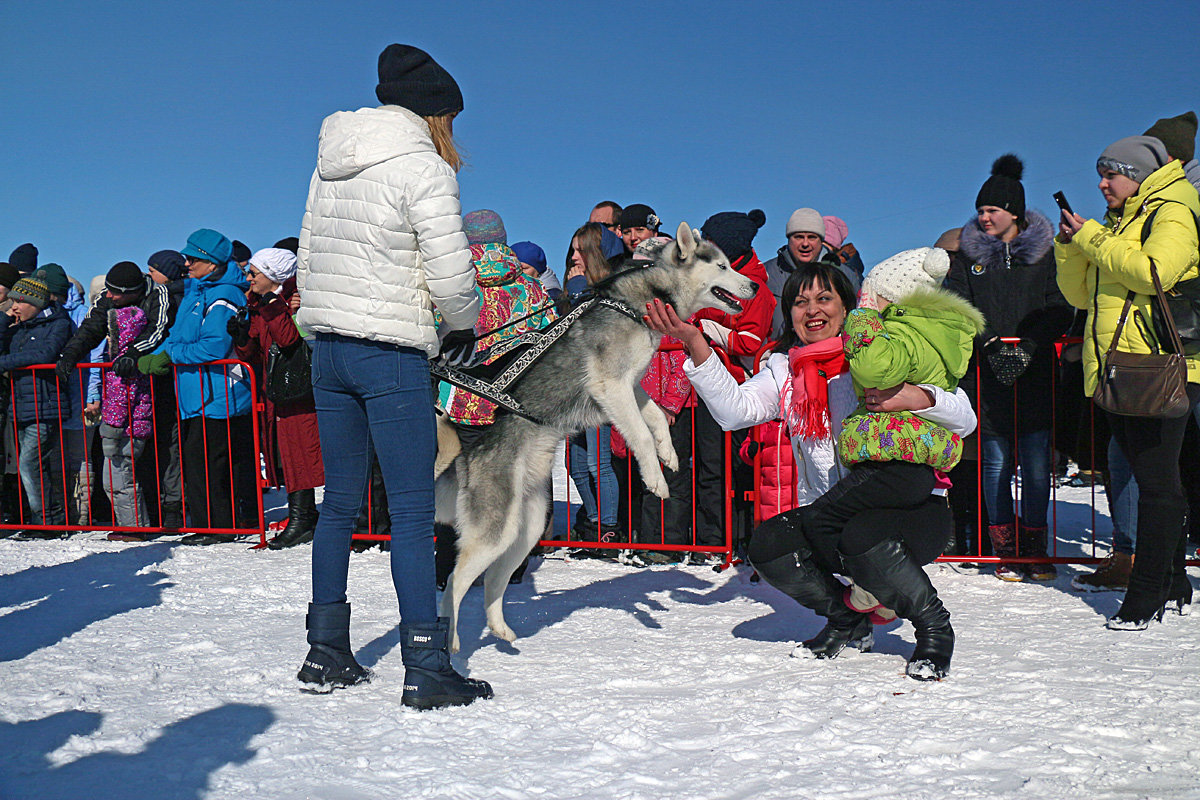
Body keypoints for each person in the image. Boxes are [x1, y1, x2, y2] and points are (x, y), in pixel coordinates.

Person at [649, 248, 980, 680]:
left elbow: (966, 418)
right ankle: (848, 619)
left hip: (909, 509)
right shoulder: (784, 369)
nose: (812, 310)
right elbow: (734, 412)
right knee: (769, 545)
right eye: (800, 302)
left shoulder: (880, 353)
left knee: (863, 536)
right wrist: (696, 344)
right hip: (834, 514)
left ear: (848, 306)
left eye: (824, 299)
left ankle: (935, 630)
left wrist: (921, 397)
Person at [294, 43, 492, 709]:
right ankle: (427, 665)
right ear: (437, 112)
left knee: (339, 506)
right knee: (410, 508)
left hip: (329, 351)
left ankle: (325, 651)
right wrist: (461, 321)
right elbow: (451, 276)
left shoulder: (329, 162)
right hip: (390, 351)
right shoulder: (424, 169)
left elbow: (308, 257)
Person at [1055, 134, 1200, 629]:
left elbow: (1155, 271)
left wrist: (1094, 238)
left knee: (1158, 485)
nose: (1101, 183)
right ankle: (1173, 582)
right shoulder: (1123, 222)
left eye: (1110, 173)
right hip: (1122, 370)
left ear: (1135, 175)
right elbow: (1079, 294)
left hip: (1158, 368)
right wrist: (1070, 246)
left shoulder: (1172, 209)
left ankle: (1145, 596)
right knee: (1159, 480)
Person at [945, 154, 1074, 581]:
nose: (983, 217)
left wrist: (1030, 346)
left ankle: (1034, 548)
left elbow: (1061, 308)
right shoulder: (966, 258)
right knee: (995, 463)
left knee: (1036, 463)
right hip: (986, 376)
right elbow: (957, 307)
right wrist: (990, 344)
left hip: (1035, 374)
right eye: (980, 210)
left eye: (992, 210)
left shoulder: (1045, 257)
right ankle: (1005, 549)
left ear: (1014, 213)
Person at [434, 211, 557, 584]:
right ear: (503, 239)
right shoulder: (532, 290)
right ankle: (510, 566)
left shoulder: (453, 284)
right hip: (513, 408)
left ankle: (447, 567)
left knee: (452, 485)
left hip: (457, 402)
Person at [139, 229, 257, 545]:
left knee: (211, 462)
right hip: (193, 392)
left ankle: (220, 526)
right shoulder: (196, 291)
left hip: (220, 393)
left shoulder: (226, 295)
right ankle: (207, 524)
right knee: (196, 460)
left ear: (212, 262)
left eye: (193, 258)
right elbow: (177, 337)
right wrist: (162, 352)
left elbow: (214, 347)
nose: (186, 263)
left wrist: (170, 355)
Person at [229, 247, 324, 550]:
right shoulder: (261, 304)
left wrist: (272, 306)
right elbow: (254, 351)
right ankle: (303, 514)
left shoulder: (291, 300)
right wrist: (241, 336)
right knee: (288, 453)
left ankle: (304, 518)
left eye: (254, 273)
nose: (248, 278)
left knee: (301, 452)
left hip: (299, 389)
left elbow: (287, 339)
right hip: (278, 389)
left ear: (272, 276)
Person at [562, 222, 626, 542]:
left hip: (600, 389)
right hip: (574, 391)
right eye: (572, 250)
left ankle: (608, 529)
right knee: (574, 465)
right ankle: (593, 521)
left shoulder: (613, 289)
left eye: (581, 250)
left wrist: (578, 295)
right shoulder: (574, 288)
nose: (574, 257)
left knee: (596, 464)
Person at [0, 276, 73, 537]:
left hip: (46, 407)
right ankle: (46, 519)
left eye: (19, 301)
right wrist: (5, 318)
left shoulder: (59, 323)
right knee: (35, 465)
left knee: (28, 464)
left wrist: (5, 362)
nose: (14, 306)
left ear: (35, 302)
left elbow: (45, 355)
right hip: (20, 407)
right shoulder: (17, 326)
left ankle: (46, 522)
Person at [762, 208, 861, 338]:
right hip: (776, 351)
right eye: (798, 237)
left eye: (812, 237)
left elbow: (859, 317)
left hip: (837, 353)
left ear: (821, 240)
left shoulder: (844, 274)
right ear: (788, 239)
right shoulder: (766, 273)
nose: (805, 243)